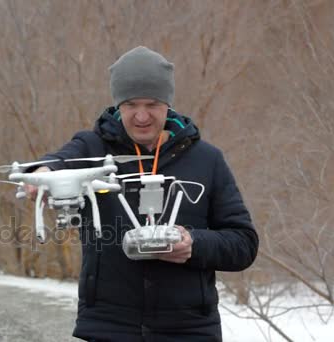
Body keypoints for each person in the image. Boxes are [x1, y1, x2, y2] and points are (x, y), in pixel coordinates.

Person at [26, 46, 258, 342]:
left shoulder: (207, 160)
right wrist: (43, 174)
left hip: (189, 331)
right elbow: (61, 160)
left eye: (152, 104)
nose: (142, 116)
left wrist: (193, 244)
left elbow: (243, 244)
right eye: (131, 104)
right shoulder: (92, 148)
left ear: (168, 103)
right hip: (109, 328)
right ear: (117, 104)